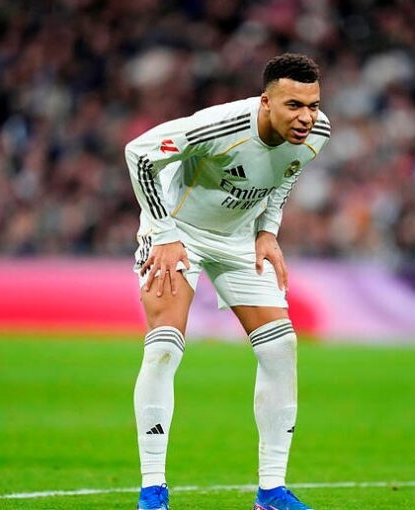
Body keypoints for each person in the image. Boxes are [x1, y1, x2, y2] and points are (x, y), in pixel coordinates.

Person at [125, 53, 330, 510]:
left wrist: (267, 231)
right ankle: (153, 490)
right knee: (164, 346)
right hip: (179, 231)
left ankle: (271, 492)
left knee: (280, 347)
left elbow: (284, 176)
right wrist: (164, 233)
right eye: (294, 105)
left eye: (313, 105)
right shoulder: (220, 126)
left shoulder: (317, 133)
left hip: (239, 239)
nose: (307, 117)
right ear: (265, 102)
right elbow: (139, 153)